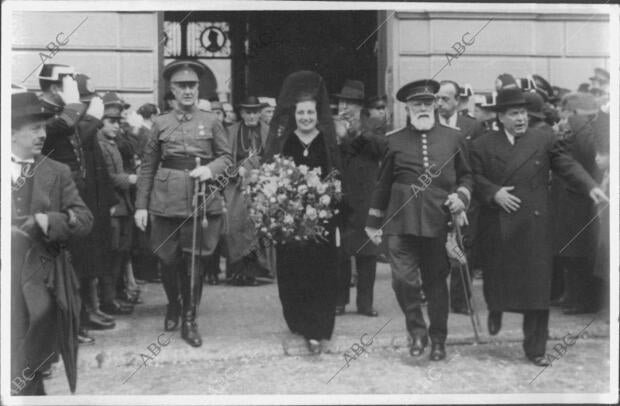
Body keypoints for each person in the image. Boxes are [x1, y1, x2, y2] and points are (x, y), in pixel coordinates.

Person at [470, 87, 608, 366]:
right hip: (498, 223)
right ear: (501, 118)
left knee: (536, 288)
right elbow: (471, 178)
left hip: (535, 225)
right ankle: (496, 307)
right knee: (498, 279)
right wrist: (494, 193)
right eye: (513, 114)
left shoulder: (543, 138)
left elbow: (565, 164)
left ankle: (536, 348)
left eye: (523, 113)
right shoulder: (482, 145)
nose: (520, 118)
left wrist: (589, 186)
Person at [365, 79, 473, 361]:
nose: (423, 108)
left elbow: (467, 176)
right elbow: (382, 184)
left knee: (436, 284)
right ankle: (416, 331)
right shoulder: (394, 140)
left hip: (439, 222)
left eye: (427, 103)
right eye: (417, 104)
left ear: (435, 105)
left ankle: (438, 339)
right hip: (400, 221)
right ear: (408, 108)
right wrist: (373, 221)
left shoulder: (454, 137)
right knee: (402, 281)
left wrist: (462, 195)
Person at [135, 60, 232, 347]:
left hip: (200, 198)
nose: (188, 91)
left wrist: (210, 170)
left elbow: (227, 158)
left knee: (195, 260)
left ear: (198, 89)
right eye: (182, 86)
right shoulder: (160, 124)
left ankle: (190, 317)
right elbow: (147, 167)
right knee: (168, 259)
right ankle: (173, 304)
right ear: (172, 90)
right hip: (165, 201)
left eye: (192, 86)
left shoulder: (212, 121)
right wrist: (141, 205)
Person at [11, 91, 93, 395]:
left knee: (30, 358)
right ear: (11, 131)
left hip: (43, 281)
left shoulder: (56, 172)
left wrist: (50, 221)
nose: (42, 135)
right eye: (34, 129)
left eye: (45, 128)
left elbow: (85, 220)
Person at [263, 70, 342, 354]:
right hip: (291, 220)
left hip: (322, 222)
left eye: (310, 112)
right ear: (293, 114)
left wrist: (327, 199)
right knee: (293, 271)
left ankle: (317, 329)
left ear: (316, 113)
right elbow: (272, 175)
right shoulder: (285, 141)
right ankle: (298, 320)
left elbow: (338, 178)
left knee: (320, 272)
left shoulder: (327, 142)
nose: (306, 117)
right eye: (301, 113)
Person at [39, 65, 118, 339]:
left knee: (78, 262)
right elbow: (64, 128)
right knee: (63, 267)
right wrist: (77, 107)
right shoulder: (44, 112)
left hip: (71, 197)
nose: (73, 91)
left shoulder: (64, 113)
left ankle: (78, 320)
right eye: (68, 83)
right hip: (53, 201)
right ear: (53, 88)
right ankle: (69, 326)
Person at [335, 79, 387, 317]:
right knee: (341, 250)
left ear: (361, 106)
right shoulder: (333, 124)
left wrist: (359, 132)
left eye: (352, 103)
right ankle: (339, 301)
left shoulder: (374, 124)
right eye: (343, 101)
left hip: (367, 193)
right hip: (342, 192)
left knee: (368, 250)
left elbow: (382, 149)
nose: (346, 106)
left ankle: (365, 304)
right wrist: (340, 137)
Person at [551, 93, 603, 314]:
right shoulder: (578, 126)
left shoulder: (579, 125)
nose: (561, 115)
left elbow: (588, 155)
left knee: (578, 252)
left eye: (564, 110)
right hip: (571, 197)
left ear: (572, 111)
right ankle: (573, 296)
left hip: (578, 198)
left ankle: (581, 300)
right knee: (570, 251)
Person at [435, 80, 483, 315]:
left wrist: (468, 195)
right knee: (435, 248)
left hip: (464, 195)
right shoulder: (429, 125)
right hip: (435, 197)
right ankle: (433, 293)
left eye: (445, 99)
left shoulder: (471, 127)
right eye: (438, 99)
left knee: (464, 248)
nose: (440, 103)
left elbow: (476, 164)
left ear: (457, 101)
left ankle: (461, 299)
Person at [98, 98, 139, 315]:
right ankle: (108, 301)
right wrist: (131, 179)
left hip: (123, 206)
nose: (116, 125)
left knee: (120, 254)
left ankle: (113, 297)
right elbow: (107, 177)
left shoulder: (111, 144)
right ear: (101, 121)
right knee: (111, 255)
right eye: (110, 121)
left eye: (118, 121)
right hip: (112, 207)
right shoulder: (100, 145)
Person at [224, 96, 271, 286]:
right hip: (236, 184)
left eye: (255, 112)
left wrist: (262, 173)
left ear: (260, 112)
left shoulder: (269, 131)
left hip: (261, 183)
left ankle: (254, 272)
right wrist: (237, 170)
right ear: (242, 113)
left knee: (257, 225)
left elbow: (275, 156)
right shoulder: (231, 131)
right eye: (248, 112)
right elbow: (224, 157)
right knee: (235, 225)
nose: (252, 116)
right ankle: (237, 271)